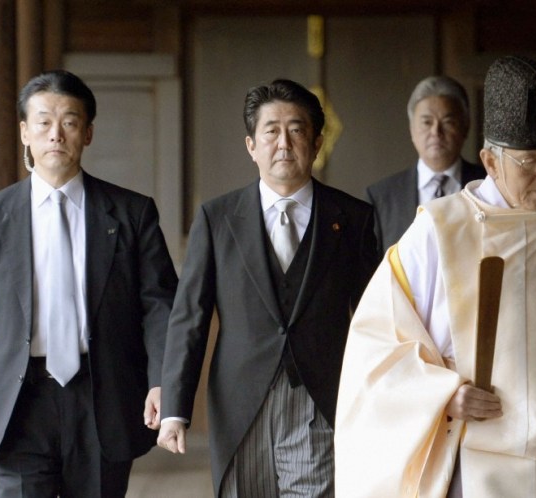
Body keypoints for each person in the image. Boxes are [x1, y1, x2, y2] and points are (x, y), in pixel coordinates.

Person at [335, 56, 536, 497]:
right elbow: (376, 345)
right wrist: (442, 396)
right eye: (530, 161)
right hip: (471, 457)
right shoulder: (439, 230)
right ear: (490, 162)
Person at [157, 79, 379, 497]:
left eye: (296, 130)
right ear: (251, 145)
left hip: (320, 400)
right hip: (241, 405)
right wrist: (174, 409)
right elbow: (190, 317)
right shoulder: (217, 218)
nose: (283, 143)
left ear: (316, 143)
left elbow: (375, 318)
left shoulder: (353, 218)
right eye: (271, 131)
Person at [0, 70, 178, 497]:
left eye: (69, 122)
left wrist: (162, 379)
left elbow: (160, 305)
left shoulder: (132, 213)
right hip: (14, 404)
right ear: (24, 132)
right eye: (43, 122)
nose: (56, 134)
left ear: (87, 133)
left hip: (101, 397)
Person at [366, 75, 486, 257]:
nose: (435, 132)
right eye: (426, 122)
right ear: (411, 129)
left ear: (466, 126)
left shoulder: (488, 185)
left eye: (447, 122)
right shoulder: (382, 197)